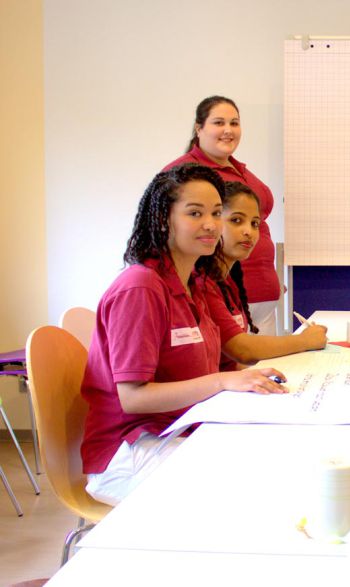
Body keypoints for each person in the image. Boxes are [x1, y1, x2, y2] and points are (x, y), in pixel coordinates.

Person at [81, 164, 288, 506]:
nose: (210, 224)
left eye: (216, 213)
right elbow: (133, 398)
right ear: (164, 219)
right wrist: (222, 381)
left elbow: (201, 372)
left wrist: (243, 378)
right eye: (195, 213)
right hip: (128, 452)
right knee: (247, 494)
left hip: (178, 431)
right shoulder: (141, 287)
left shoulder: (192, 284)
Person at [164, 96, 282, 335]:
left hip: (263, 295)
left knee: (263, 369)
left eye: (234, 123)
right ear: (199, 128)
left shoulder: (240, 170)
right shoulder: (185, 174)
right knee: (235, 366)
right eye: (219, 122)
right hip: (221, 294)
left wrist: (272, 279)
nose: (228, 130)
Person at [202, 181, 327, 371]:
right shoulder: (204, 282)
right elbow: (241, 349)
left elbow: (231, 362)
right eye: (236, 220)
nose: (248, 232)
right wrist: (304, 341)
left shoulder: (229, 282)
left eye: (255, 224)